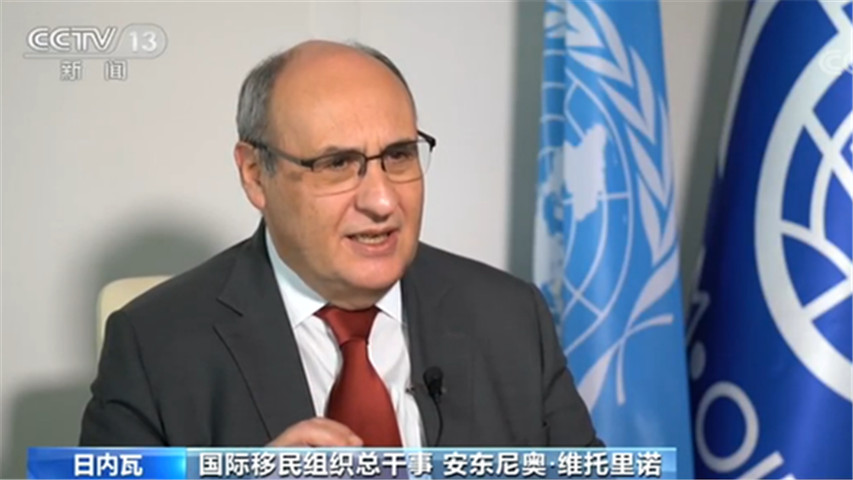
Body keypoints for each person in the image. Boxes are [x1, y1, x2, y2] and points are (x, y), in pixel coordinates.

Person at [79, 40, 601, 448]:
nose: (382, 201)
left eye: (399, 156)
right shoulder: (155, 345)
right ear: (256, 174)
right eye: (336, 164)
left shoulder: (510, 317)